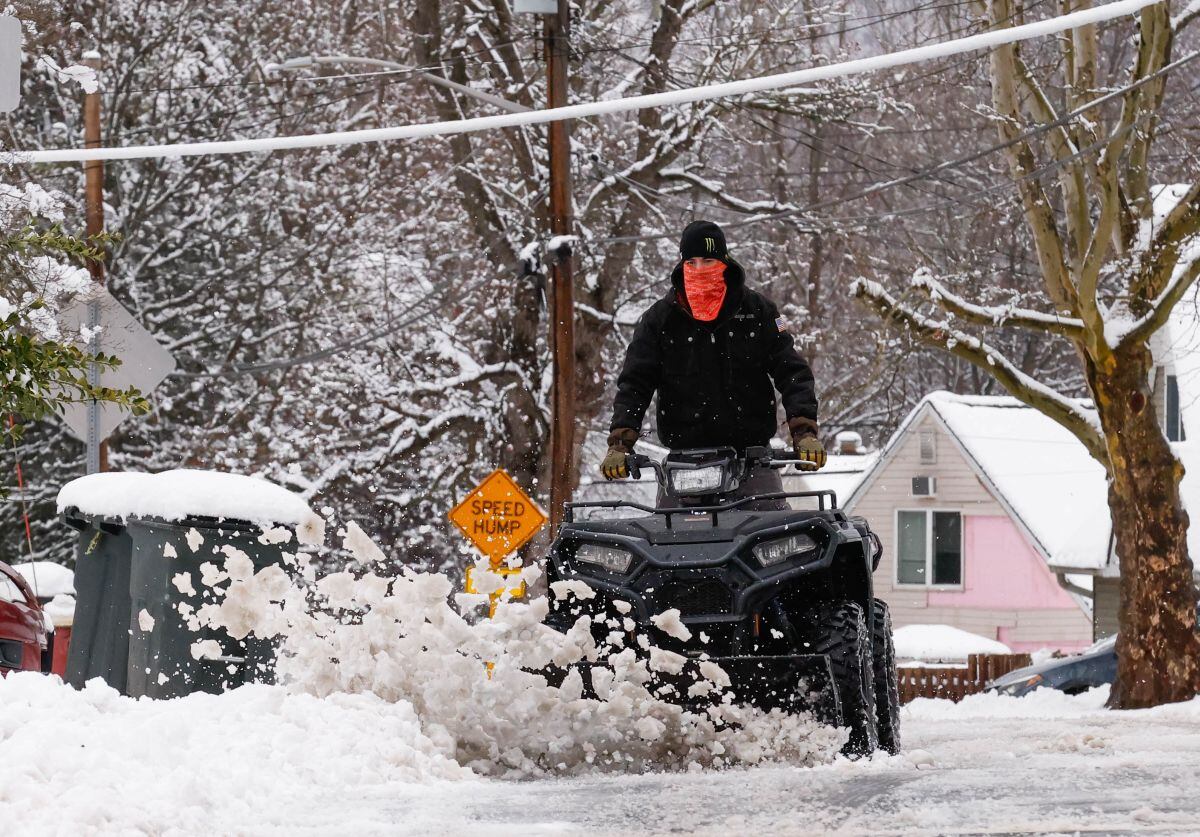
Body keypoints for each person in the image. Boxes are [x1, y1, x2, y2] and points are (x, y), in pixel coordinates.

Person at [600, 220, 825, 506]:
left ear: (724, 262)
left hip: (752, 461)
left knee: (776, 538)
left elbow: (792, 371)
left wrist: (804, 432)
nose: (699, 269)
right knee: (666, 542)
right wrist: (620, 444)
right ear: (681, 265)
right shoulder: (659, 321)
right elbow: (635, 383)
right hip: (683, 465)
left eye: (708, 260)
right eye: (691, 261)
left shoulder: (758, 312)